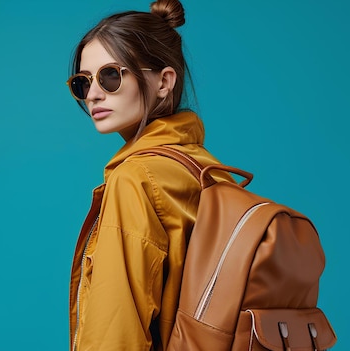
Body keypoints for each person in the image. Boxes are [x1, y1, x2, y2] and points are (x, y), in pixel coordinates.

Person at [66, 1, 234, 350]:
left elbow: (117, 330)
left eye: (110, 75)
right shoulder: (208, 170)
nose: (94, 93)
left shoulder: (135, 179)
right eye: (83, 82)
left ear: (164, 81)